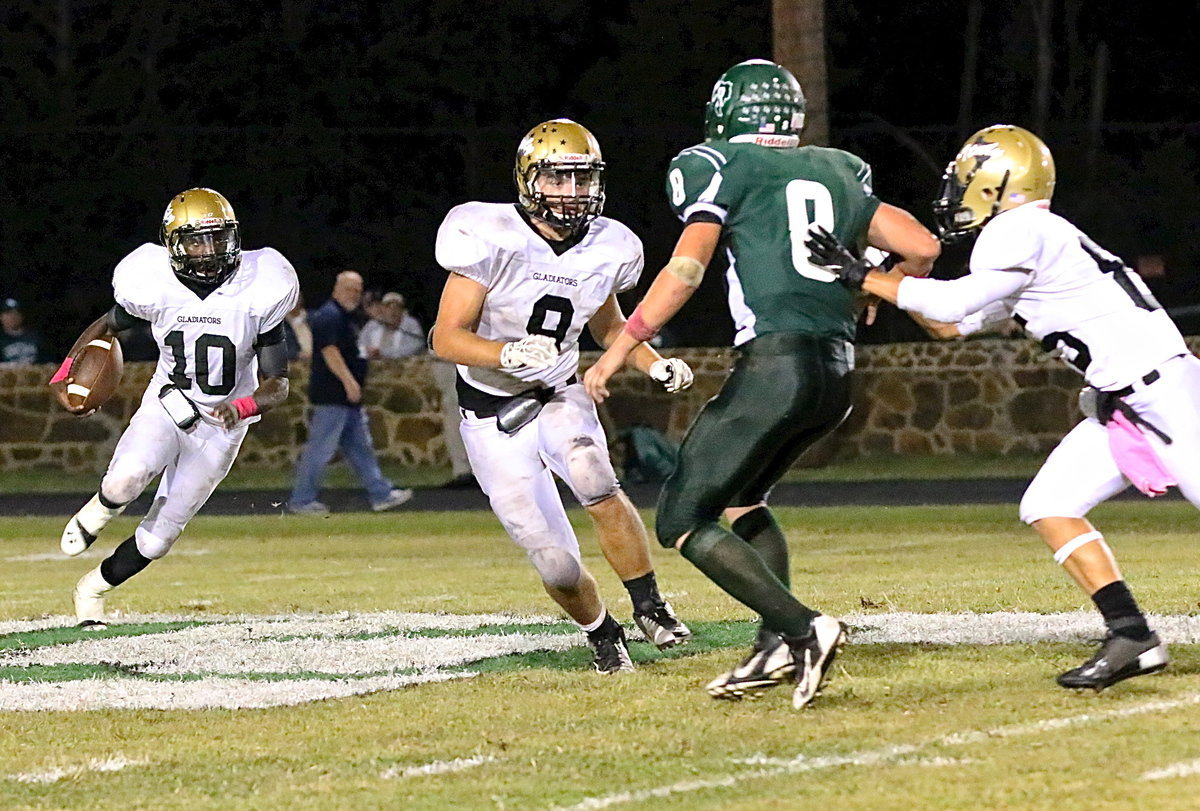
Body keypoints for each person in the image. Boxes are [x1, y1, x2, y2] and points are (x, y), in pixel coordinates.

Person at [584, 60, 940, 707]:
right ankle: (774, 642)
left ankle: (806, 629)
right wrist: (869, 278)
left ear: (725, 113)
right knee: (744, 498)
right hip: (836, 372)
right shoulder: (838, 168)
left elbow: (686, 270)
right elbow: (922, 248)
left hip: (776, 362)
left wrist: (619, 349)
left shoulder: (720, 164)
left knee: (680, 515)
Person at [806, 123, 1194, 690]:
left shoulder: (1018, 229)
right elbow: (951, 323)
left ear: (998, 182)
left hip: (1167, 396)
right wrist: (886, 280)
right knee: (1050, 502)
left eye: (967, 179)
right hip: (1126, 402)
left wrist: (865, 275)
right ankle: (1132, 634)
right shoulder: (1033, 239)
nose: (957, 192)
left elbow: (952, 299)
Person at [432, 118, 695, 673]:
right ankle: (602, 632)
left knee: (594, 475)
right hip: (491, 413)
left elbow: (608, 327)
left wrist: (653, 363)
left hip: (556, 391)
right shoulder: (491, 235)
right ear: (530, 180)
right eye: (558, 179)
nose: (572, 193)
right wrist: (504, 354)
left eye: (582, 179)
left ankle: (650, 605)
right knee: (555, 565)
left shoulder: (609, 246)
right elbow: (445, 336)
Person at [51, 188, 299, 628]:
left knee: (160, 536)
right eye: (196, 241)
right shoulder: (153, 282)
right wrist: (67, 373)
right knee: (126, 479)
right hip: (169, 401)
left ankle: (91, 589)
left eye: (217, 239)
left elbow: (278, 385)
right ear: (173, 244)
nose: (208, 252)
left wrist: (241, 406)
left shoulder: (260, 289)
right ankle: (98, 511)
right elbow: (107, 326)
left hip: (222, 426)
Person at [288, 270, 413, 515]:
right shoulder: (329, 316)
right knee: (321, 449)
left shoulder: (343, 317)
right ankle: (302, 500)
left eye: (358, 290)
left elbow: (346, 349)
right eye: (350, 289)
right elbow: (329, 352)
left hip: (345, 398)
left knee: (360, 448)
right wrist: (349, 382)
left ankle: (381, 494)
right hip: (333, 395)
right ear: (337, 288)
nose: (354, 295)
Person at [360, 291, 426, 359]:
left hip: (403, 366)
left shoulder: (410, 323)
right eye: (388, 307)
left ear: (402, 309)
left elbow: (417, 345)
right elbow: (359, 347)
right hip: (374, 365)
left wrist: (383, 353)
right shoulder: (372, 325)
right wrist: (367, 352)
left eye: (396, 307)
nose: (393, 311)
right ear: (383, 309)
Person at [0, 298, 49, 366]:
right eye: (8, 313)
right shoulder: (1, 339)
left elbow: (47, 361)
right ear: (1, 317)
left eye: (16, 312)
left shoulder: (35, 337)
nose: (13, 317)